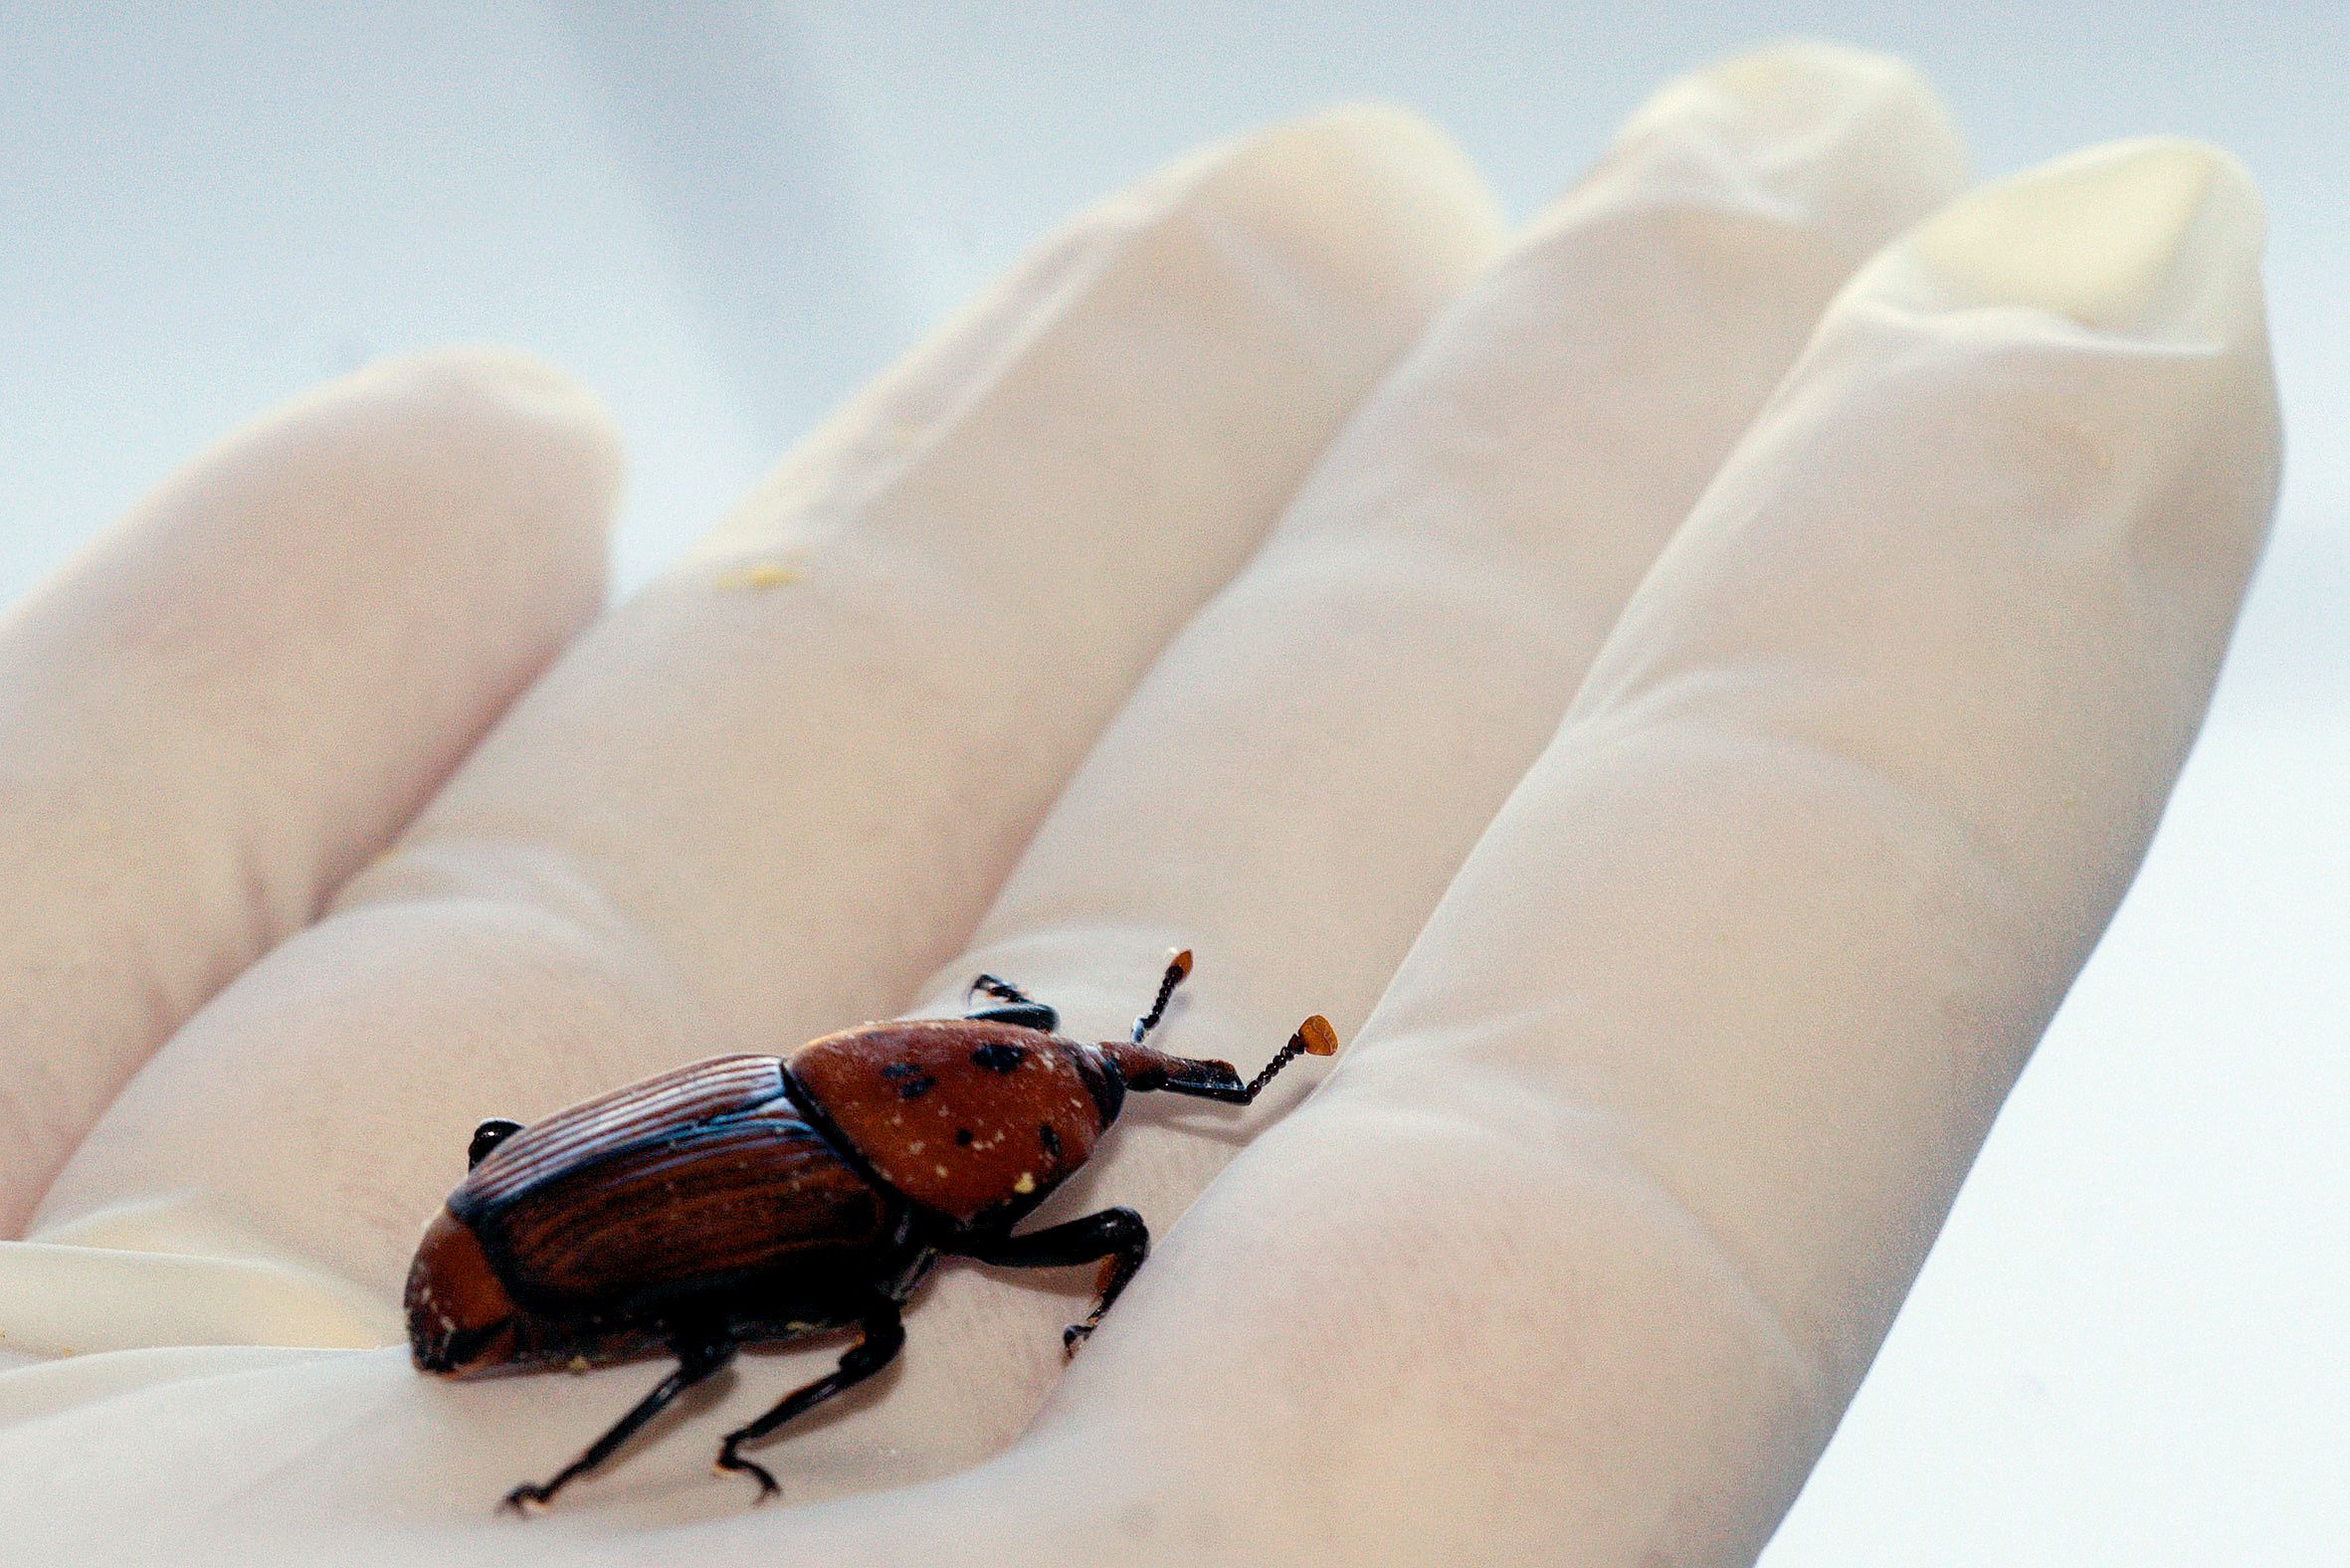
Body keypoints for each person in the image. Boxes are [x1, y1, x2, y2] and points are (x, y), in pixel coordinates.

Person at [0, 42, 2277, 1566]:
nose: (1085, 1100)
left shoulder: (852, 1114)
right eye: (1053, 1083)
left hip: (561, 1211)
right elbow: (965, 1227)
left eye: (1065, 1083)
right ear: (933, 1096)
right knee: (776, 1356)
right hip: (515, 1264)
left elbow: (1042, 1106)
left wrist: (1149, 1072)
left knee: (804, 1317)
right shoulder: (868, 1183)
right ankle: (603, 1460)